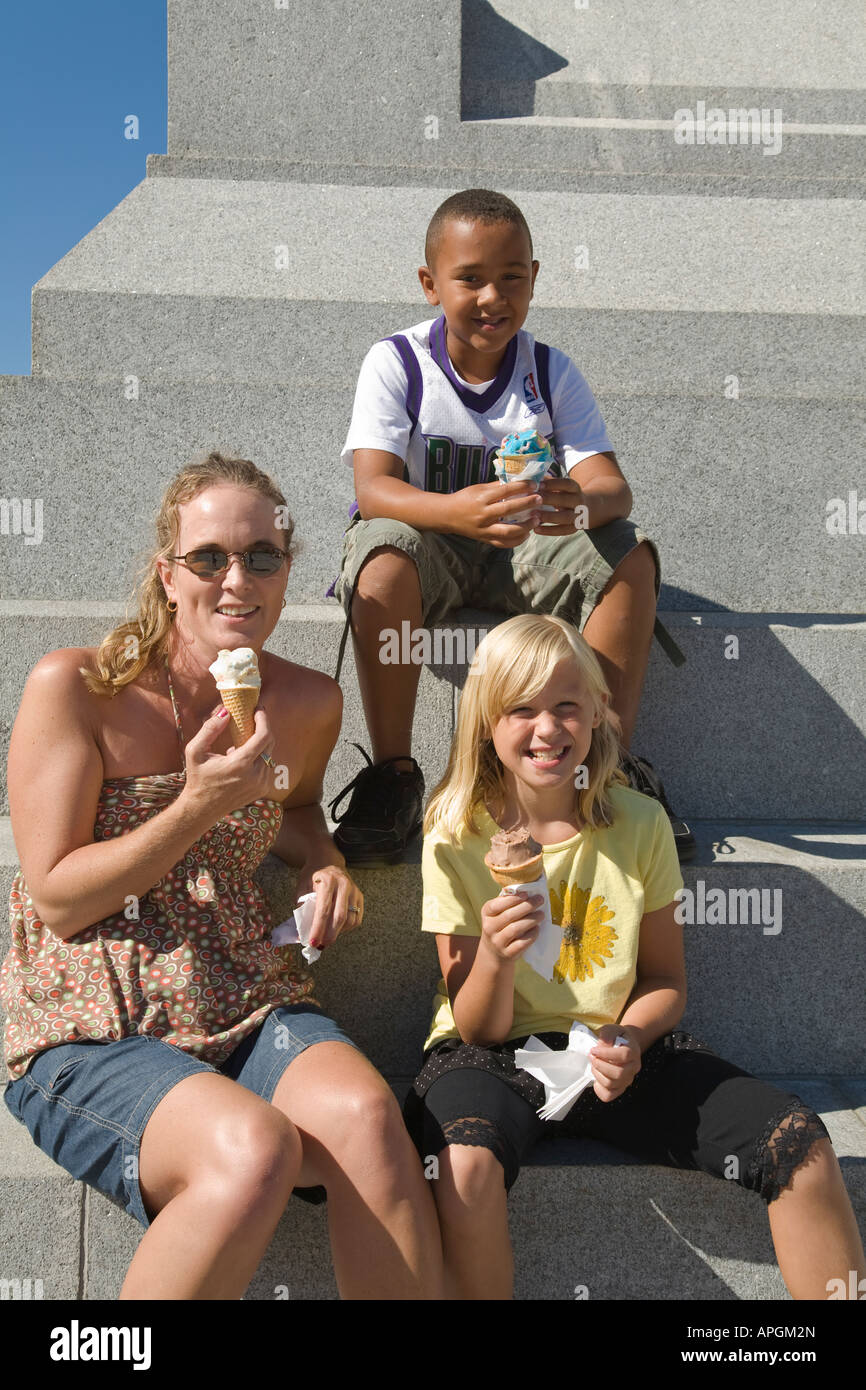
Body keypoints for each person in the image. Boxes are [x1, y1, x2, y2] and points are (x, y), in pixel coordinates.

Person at [1, 452, 442, 1301]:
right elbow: (57, 896)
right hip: (99, 1020)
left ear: (286, 573)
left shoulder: (308, 704)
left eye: (262, 557)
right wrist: (196, 804)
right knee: (256, 1153)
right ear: (168, 576)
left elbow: (300, 812)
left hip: (243, 993)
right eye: (208, 558)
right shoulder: (78, 688)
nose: (236, 579)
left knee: (369, 1121)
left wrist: (324, 864)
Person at [402, 613, 864, 1300]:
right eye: (521, 709)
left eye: (566, 706)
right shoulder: (455, 833)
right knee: (462, 1169)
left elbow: (665, 979)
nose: (548, 729)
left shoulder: (638, 823)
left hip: (616, 1046)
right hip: (492, 1054)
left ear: (596, 712)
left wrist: (632, 1035)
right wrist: (498, 957)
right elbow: (478, 1028)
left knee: (801, 1144)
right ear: (486, 723)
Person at [331, 186, 692, 869]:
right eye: (470, 278)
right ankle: (394, 778)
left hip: (524, 553)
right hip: (430, 547)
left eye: (512, 278)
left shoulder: (550, 369)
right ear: (430, 283)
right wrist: (456, 510)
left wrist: (575, 506)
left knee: (629, 556)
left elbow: (613, 485)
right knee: (379, 560)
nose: (493, 297)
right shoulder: (398, 363)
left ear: (534, 280)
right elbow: (373, 489)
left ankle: (601, 771)